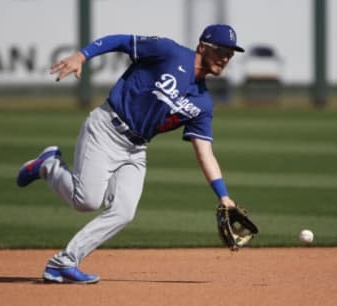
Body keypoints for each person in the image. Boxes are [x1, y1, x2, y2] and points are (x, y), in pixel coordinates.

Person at [17, 24, 245, 284]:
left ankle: (64, 263)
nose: (226, 58)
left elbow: (205, 153)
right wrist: (82, 56)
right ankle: (49, 166)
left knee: (123, 212)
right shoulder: (169, 52)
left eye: (231, 54)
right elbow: (120, 41)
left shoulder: (203, 103)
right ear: (203, 47)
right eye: (221, 51)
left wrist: (224, 196)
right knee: (87, 202)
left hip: (136, 149)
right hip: (106, 128)